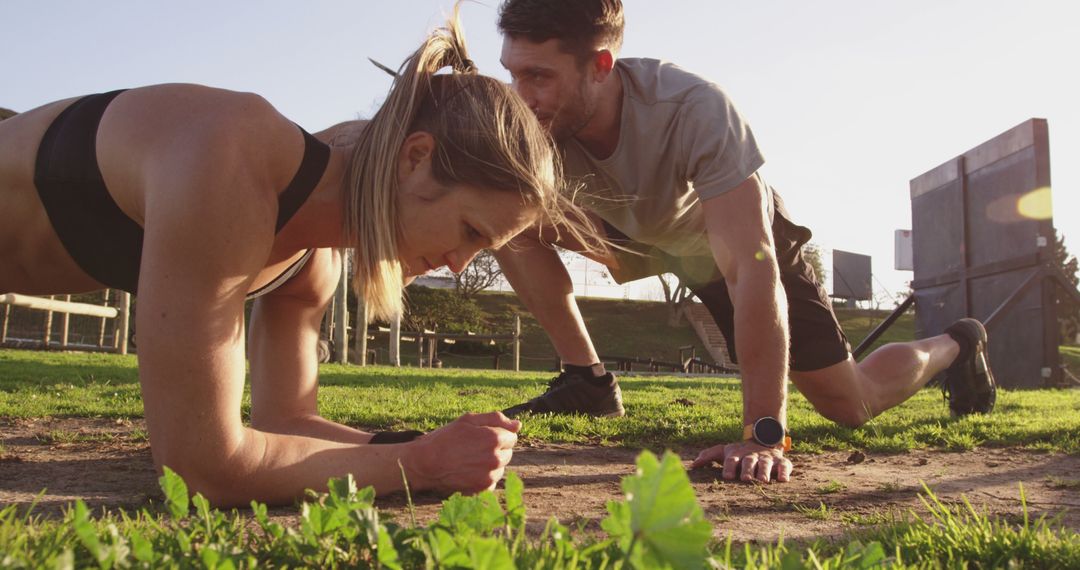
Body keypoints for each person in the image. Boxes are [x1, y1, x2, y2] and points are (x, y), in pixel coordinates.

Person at [0, 11, 606, 507]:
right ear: (414, 158)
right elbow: (200, 470)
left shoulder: (313, 265)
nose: (457, 264)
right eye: (470, 230)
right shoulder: (231, 159)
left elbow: (286, 423)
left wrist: (425, 444)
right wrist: (419, 462)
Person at [492, 0, 996, 484]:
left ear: (600, 65)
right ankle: (589, 381)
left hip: (730, 243)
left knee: (851, 404)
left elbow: (751, 270)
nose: (521, 94)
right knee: (497, 214)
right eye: (513, 73)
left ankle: (956, 343)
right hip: (638, 230)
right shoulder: (530, 119)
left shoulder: (694, 109)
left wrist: (763, 433)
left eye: (539, 76)